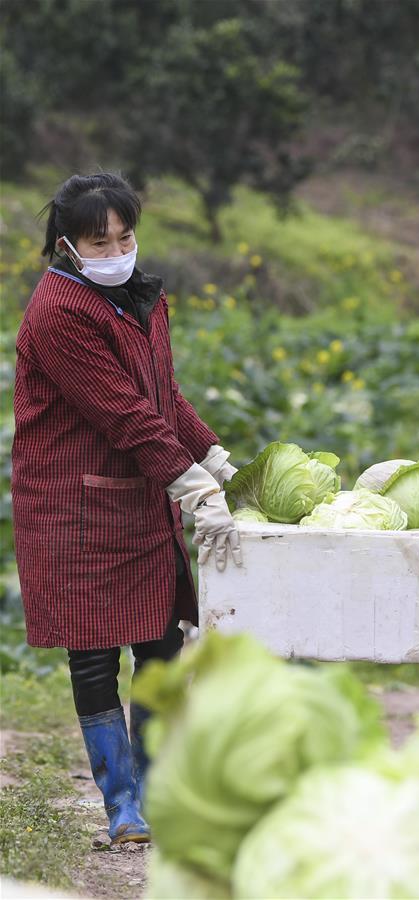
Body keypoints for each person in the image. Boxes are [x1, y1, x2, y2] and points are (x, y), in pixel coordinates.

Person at [11, 173, 243, 844]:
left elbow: (161, 396)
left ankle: (156, 786)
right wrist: (194, 488)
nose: (116, 251)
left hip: (140, 497)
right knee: (93, 655)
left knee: (161, 645)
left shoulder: (139, 296)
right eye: (98, 242)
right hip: (75, 507)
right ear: (67, 245)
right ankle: (122, 803)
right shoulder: (59, 313)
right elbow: (124, 413)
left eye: (124, 236)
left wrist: (215, 457)